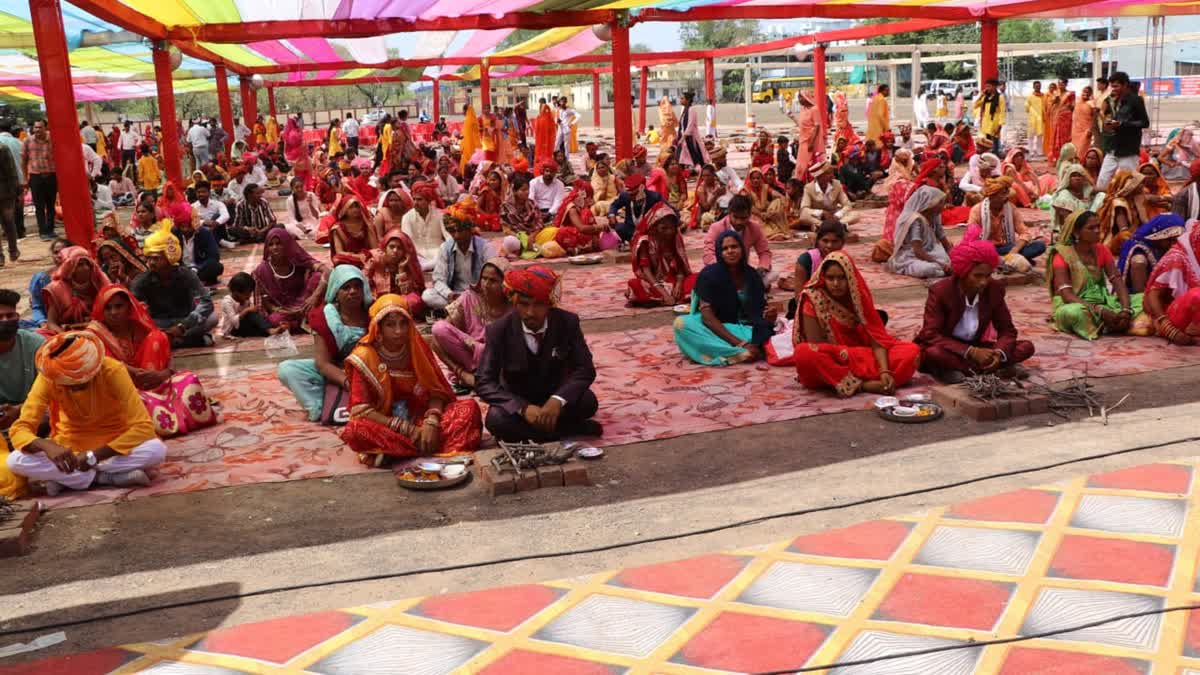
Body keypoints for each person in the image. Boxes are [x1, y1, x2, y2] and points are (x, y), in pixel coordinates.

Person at [6, 331, 166, 495]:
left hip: (113, 445)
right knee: (15, 461)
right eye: (67, 382)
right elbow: (20, 428)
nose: (72, 386)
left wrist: (94, 456)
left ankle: (70, 479)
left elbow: (144, 427)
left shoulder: (112, 370)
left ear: (94, 369)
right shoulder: (49, 376)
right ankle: (103, 477)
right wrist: (46, 445)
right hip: (68, 450)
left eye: (79, 381)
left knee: (156, 450)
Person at [340, 294, 482, 464]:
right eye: (390, 325)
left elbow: (436, 391)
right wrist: (406, 428)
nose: (399, 331)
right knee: (355, 429)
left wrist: (432, 422)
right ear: (378, 329)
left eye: (403, 323)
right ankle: (421, 445)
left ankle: (396, 450)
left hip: (421, 418)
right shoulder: (363, 357)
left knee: (470, 408)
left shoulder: (417, 348)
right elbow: (361, 410)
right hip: (385, 422)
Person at [476, 265, 601, 442]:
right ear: (514, 303)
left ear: (549, 304)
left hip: (554, 397)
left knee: (588, 402)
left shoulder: (567, 322)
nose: (530, 312)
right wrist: (523, 408)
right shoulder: (498, 330)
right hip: (519, 402)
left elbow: (585, 369)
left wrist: (558, 400)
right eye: (524, 304)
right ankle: (564, 431)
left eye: (539, 305)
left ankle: (538, 432)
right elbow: (484, 382)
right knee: (496, 420)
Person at [86, 284, 216, 438]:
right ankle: (162, 409)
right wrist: (134, 372)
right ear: (101, 310)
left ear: (129, 306)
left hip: (153, 384)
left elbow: (168, 362)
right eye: (108, 308)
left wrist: (162, 374)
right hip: (121, 393)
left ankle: (157, 406)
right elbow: (105, 364)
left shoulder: (140, 326)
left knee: (165, 344)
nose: (113, 312)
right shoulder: (94, 333)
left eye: (118, 306)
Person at [793, 252, 918, 397]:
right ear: (823, 278)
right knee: (804, 353)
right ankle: (863, 385)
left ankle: (867, 379)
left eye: (841, 278)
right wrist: (844, 356)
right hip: (832, 359)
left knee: (911, 352)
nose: (835, 284)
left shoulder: (858, 295)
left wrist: (884, 371)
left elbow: (877, 339)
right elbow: (816, 346)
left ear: (850, 278)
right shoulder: (812, 299)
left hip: (860, 355)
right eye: (830, 278)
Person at [916, 240, 1035, 383]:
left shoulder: (994, 289)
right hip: (950, 348)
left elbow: (1007, 330)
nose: (983, 282)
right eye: (977, 276)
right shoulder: (941, 291)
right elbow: (930, 334)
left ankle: (967, 370)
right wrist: (970, 352)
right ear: (963, 273)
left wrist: (998, 353)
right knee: (933, 353)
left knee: (1027, 347)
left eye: (988, 275)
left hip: (978, 346)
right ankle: (993, 370)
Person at [277, 265, 372, 421]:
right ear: (336, 292)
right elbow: (323, 364)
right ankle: (319, 407)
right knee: (287, 369)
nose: (353, 291)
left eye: (357, 286)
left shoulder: (374, 312)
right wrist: (348, 383)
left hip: (369, 370)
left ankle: (345, 401)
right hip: (337, 369)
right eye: (346, 288)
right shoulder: (325, 317)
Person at [675, 230, 775, 366]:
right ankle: (739, 352)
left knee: (770, 331)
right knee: (682, 324)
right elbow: (707, 318)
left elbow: (759, 313)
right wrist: (741, 343)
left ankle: (729, 350)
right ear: (718, 252)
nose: (730, 251)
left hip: (744, 329)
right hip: (718, 326)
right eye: (725, 249)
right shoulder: (709, 276)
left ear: (742, 249)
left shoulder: (752, 275)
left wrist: (768, 316)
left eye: (734, 247)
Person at [1047, 209, 1140, 340]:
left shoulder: (1102, 249)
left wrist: (1125, 310)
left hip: (1102, 301)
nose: (1097, 231)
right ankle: (1108, 324)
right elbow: (1067, 296)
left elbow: (1117, 280)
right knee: (1075, 313)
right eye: (1091, 228)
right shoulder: (1062, 255)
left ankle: (1112, 322)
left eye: (1098, 226)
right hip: (1074, 303)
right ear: (1076, 232)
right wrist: (1099, 311)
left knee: (1143, 299)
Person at [130, 222, 216, 349]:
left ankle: (168, 341)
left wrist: (183, 326)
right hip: (158, 323)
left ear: (169, 257)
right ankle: (184, 341)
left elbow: (206, 302)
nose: (151, 263)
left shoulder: (186, 274)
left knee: (212, 318)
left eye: (156, 258)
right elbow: (134, 308)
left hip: (185, 320)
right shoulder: (142, 280)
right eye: (149, 259)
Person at [430, 258, 511, 391]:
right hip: (469, 354)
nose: (486, 284)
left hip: (497, 360)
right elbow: (443, 331)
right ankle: (470, 376)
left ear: (505, 283)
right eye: (484, 279)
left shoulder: (514, 306)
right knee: (439, 328)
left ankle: (479, 376)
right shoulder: (470, 297)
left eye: (493, 281)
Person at [0, 289, 44, 494]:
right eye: (0, 317)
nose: (5, 321)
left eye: (10, 316)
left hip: (35, 420)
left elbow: (56, 393)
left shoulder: (35, 345)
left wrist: (20, 410)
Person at [251, 228, 328, 332]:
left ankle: (299, 323)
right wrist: (275, 311)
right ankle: (299, 324)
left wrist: (314, 296)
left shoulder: (297, 259)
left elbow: (327, 271)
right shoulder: (261, 271)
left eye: (279, 244)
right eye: (271, 244)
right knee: (274, 320)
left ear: (287, 244)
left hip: (306, 304)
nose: (275, 248)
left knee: (318, 277)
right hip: (283, 311)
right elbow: (260, 305)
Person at [423, 200, 489, 312]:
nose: (456, 235)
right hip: (455, 295)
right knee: (428, 295)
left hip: (479, 296)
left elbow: (496, 276)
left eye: (461, 230)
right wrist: (450, 295)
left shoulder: (484, 247)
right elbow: (438, 279)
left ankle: (460, 310)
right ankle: (465, 309)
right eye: (453, 231)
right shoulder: (445, 247)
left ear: (470, 229)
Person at [965, 177, 1046, 268]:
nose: (1007, 196)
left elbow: (1024, 233)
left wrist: (1013, 252)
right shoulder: (977, 210)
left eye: (1007, 192)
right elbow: (972, 238)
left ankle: (1003, 260)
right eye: (1003, 194)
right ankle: (1008, 260)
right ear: (992, 195)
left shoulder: (1011, 208)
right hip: (985, 249)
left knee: (1039, 246)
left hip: (1006, 248)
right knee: (972, 252)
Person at [626, 203, 695, 307]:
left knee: (699, 279)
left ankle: (660, 300)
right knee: (636, 285)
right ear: (654, 226)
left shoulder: (675, 237)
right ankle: (664, 298)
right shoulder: (645, 241)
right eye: (664, 228)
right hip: (653, 282)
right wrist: (664, 293)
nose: (669, 232)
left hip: (672, 280)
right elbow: (646, 271)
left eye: (672, 228)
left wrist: (679, 285)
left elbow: (680, 267)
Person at [1144, 219, 1200, 345]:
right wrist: (1168, 328)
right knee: (1197, 295)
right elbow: (1153, 295)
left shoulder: (1197, 255)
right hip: (1172, 315)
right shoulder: (1176, 258)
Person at [703, 194, 776, 285]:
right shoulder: (716, 227)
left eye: (743, 218)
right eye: (736, 217)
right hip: (720, 270)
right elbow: (708, 254)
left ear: (750, 215)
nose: (739, 222)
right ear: (729, 213)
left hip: (742, 271)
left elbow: (764, 252)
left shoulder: (754, 227)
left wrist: (762, 268)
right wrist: (722, 270)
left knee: (772, 274)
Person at [1097, 72, 1150, 190]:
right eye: (1112, 86)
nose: (1113, 89)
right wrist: (1110, 124)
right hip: (1112, 147)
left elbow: (1145, 122)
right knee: (1102, 182)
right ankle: (1102, 206)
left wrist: (1122, 124)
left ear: (1125, 85)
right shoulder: (1114, 100)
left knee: (1127, 185)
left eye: (1116, 86)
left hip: (1128, 150)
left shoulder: (1136, 100)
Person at [887, 185, 953, 279]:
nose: (944, 206)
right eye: (940, 202)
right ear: (930, 203)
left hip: (931, 251)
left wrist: (954, 257)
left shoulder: (935, 216)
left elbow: (944, 240)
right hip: (912, 256)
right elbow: (918, 251)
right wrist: (941, 265)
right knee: (928, 269)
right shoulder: (915, 220)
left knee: (951, 259)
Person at [42, 246, 109, 336]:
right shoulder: (57, 288)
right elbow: (51, 323)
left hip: (98, 331)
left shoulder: (100, 282)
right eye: (80, 265)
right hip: (67, 333)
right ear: (70, 268)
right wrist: (67, 337)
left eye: (87, 264)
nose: (86, 268)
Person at [1119, 214, 1186, 299]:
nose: (1173, 244)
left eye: (1177, 240)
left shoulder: (1169, 247)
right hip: (1143, 298)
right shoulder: (1140, 255)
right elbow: (1141, 294)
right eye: (1170, 240)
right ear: (1158, 236)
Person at [170, 201, 224, 286]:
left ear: (193, 224)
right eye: (182, 226)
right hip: (181, 269)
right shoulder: (174, 233)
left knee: (216, 266)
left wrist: (196, 269)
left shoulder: (205, 233)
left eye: (188, 226)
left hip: (199, 268)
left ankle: (192, 282)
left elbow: (214, 256)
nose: (185, 230)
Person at [797, 161, 857, 232]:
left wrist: (837, 215)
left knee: (856, 214)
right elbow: (804, 209)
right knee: (803, 216)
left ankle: (835, 225)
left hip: (834, 216)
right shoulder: (809, 187)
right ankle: (825, 225)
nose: (832, 176)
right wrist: (822, 213)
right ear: (819, 176)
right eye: (829, 173)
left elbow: (847, 205)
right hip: (819, 218)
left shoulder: (837, 184)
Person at [401, 183, 448, 271]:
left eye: (419, 199)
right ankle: (429, 266)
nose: (415, 203)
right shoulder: (407, 217)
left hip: (437, 252)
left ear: (428, 201)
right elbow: (408, 242)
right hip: (417, 255)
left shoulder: (440, 215)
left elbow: (448, 237)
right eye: (414, 199)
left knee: (445, 252)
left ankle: (425, 267)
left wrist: (447, 248)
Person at [1098, 171, 1146, 255]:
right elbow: (1124, 232)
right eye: (1139, 184)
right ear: (1128, 186)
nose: (1143, 186)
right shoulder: (1119, 204)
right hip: (1120, 243)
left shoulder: (1134, 198)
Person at [217, 272, 278, 339]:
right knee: (251, 314)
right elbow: (234, 321)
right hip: (232, 329)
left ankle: (270, 330)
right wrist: (247, 310)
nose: (249, 296)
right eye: (246, 294)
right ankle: (269, 330)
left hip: (243, 325)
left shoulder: (245, 299)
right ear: (236, 292)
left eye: (250, 293)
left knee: (259, 327)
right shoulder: (227, 302)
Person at [23, 120, 57, 240]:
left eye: (40, 127)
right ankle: (42, 231)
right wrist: (25, 178)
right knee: (39, 206)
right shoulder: (27, 141)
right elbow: (24, 160)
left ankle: (51, 229)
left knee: (51, 205)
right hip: (35, 177)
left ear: (45, 128)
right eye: (35, 127)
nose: (37, 130)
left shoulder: (53, 139)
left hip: (51, 176)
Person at [608, 173, 663, 245]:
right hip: (632, 229)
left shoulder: (654, 197)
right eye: (629, 194)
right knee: (619, 228)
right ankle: (635, 242)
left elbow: (670, 210)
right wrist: (612, 215)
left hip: (649, 231)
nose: (631, 197)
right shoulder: (626, 196)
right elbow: (614, 205)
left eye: (634, 194)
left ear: (642, 189)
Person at [329, 195, 377, 267]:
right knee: (338, 259)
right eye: (351, 207)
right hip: (349, 259)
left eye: (357, 206)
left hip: (366, 257)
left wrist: (367, 255)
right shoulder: (338, 228)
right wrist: (356, 256)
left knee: (378, 256)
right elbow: (339, 252)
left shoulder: (366, 224)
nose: (355, 209)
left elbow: (374, 248)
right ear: (344, 210)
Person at [677, 90, 710, 168]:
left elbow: (690, 125)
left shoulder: (692, 110)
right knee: (684, 154)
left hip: (690, 137)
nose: (680, 100)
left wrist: (683, 137)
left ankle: (698, 167)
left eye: (682, 99)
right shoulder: (685, 110)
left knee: (694, 152)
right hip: (684, 137)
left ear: (687, 100)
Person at [973, 79, 1006, 155]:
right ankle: (987, 156)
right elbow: (975, 105)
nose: (987, 88)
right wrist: (981, 95)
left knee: (994, 141)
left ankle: (995, 155)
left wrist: (1000, 124)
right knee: (986, 142)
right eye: (986, 86)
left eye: (989, 86)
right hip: (986, 122)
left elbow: (1002, 111)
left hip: (995, 122)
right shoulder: (985, 97)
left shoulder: (1000, 97)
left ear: (994, 87)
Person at [1025, 81, 1046, 158]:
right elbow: (1026, 107)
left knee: (1040, 135)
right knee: (1031, 135)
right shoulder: (1030, 96)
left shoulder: (1044, 96)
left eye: (1039, 86)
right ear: (1033, 87)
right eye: (1036, 86)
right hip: (1032, 118)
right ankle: (1031, 151)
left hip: (1041, 118)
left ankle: (1039, 151)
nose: (1038, 87)